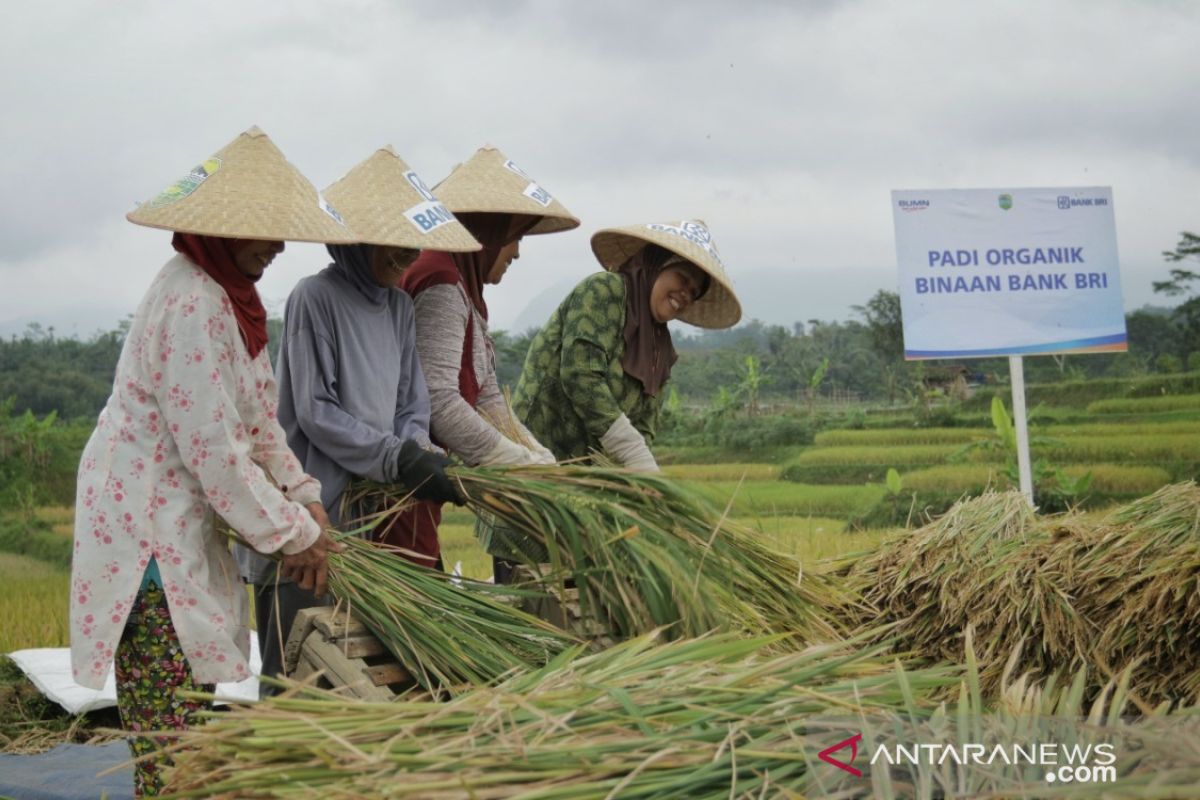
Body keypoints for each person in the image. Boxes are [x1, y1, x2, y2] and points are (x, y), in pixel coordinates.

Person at [69, 127, 353, 797]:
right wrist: (297, 536)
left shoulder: (235, 301)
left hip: (177, 524)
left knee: (187, 721)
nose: (278, 247)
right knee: (172, 741)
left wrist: (304, 494)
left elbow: (259, 422)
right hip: (147, 538)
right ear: (219, 231)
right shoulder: (194, 301)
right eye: (263, 231)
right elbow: (216, 458)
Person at [236, 146, 479, 687]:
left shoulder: (397, 307)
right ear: (358, 241)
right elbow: (317, 412)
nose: (405, 260)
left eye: (411, 248)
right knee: (293, 672)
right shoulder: (313, 299)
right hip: (308, 520)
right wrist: (395, 457)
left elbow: (411, 401)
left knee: (349, 668)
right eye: (393, 249)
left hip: (366, 524)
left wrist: (416, 448)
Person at [397, 146, 579, 581]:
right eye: (514, 234)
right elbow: (438, 398)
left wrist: (537, 457)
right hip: (403, 477)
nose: (515, 251)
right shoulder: (440, 280)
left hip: (420, 477)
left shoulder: (463, 284)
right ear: (488, 231)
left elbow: (487, 392)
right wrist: (510, 460)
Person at [513, 220, 741, 473]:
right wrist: (632, 450)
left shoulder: (660, 349)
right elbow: (580, 375)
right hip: (537, 457)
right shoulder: (604, 290)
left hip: (588, 475)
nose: (686, 293)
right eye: (683, 278)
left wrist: (638, 472)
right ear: (656, 266)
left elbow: (646, 421)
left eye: (694, 291)